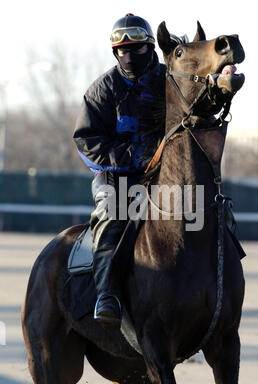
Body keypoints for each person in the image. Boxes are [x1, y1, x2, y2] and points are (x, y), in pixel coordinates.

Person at [73, 13, 166, 329]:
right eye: (122, 51)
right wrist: (132, 157)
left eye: (136, 49)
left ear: (150, 47)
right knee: (115, 216)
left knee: (203, 209)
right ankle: (106, 295)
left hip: (164, 176)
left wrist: (219, 82)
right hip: (115, 180)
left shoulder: (171, 82)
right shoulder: (102, 90)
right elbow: (86, 141)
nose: (128, 56)